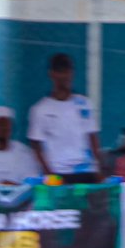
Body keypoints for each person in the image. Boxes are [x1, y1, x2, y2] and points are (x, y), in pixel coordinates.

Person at [27, 53, 102, 184]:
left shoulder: (85, 104)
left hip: (86, 172)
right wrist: (50, 175)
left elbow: (93, 138)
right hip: (58, 173)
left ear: (72, 73)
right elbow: (36, 147)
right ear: (51, 74)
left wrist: (99, 169)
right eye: (59, 71)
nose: (64, 76)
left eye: (67, 71)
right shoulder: (40, 109)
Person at [0, 107, 41, 184]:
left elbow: (31, 180)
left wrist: (15, 185)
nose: (3, 128)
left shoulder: (24, 152)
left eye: (6, 125)